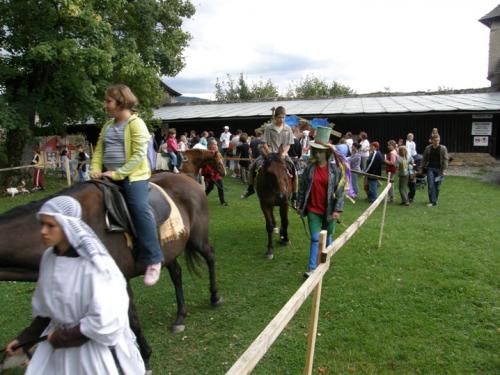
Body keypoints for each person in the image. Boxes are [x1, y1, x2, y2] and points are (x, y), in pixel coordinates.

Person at [4, 196, 145, 374]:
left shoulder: (95, 265)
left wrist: (63, 337)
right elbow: (47, 308)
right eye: (42, 225)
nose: (43, 231)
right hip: (56, 350)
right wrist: (26, 340)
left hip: (90, 353)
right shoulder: (49, 258)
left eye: (50, 225)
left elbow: (107, 319)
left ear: (66, 226)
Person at [90, 84, 164, 286]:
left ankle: (154, 258)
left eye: (108, 101)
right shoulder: (107, 126)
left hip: (133, 176)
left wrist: (118, 173)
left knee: (139, 208)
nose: (105, 105)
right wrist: (95, 169)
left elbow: (139, 155)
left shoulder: (136, 123)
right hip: (108, 174)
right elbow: (98, 151)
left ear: (121, 102)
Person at [296, 126, 345, 278]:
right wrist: (299, 203)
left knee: (328, 235)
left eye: (320, 151)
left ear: (327, 152)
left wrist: (337, 209)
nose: (316, 153)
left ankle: (325, 260)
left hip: (329, 210)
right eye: (315, 150)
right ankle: (312, 268)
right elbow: (302, 188)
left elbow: (340, 191)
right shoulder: (309, 169)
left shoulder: (335, 170)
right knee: (316, 238)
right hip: (313, 210)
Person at [241, 106, 297, 202]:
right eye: (279, 117)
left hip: (283, 155)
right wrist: (270, 154)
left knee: (294, 171)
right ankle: (250, 189)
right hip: (269, 153)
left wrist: (284, 153)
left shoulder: (288, 129)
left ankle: (294, 195)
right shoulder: (269, 128)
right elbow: (264, 143)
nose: (281, 119)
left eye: (283, 117)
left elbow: (288, 144)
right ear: (275, 117)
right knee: (252, 166)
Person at [422, 134, 449, 207]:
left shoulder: (443, 148)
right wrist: (422, 168)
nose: (437, 142)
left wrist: (444, 170)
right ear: (432, 141)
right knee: (431, 185)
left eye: (438, 140)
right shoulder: (428, 148)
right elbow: (424, 158)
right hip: (430, 169)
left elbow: (446, 160)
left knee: (437, 186)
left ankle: (435, 200)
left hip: (439, 170)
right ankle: (432, 201)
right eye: (435, 140)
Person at [202, 140, 228, 206]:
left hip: (216, 173)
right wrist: (210, 172)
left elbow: (220, 163)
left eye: (216, 144)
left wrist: (222, 170)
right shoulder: (208, 154)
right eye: (215, 144)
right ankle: (201, 198)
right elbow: (206, 164)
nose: (216, 146)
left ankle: (222, 201)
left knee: (214, 187)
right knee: (213, 187)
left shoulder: (217, 153)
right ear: (211, 145)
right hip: (211, 173)